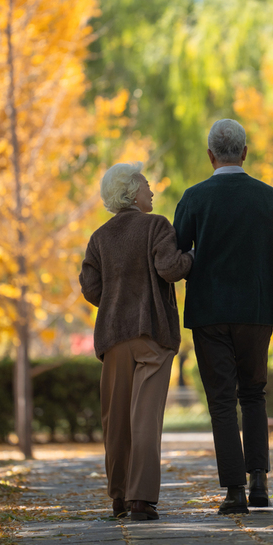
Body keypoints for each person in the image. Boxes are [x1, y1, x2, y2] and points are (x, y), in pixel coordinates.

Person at [174, 119, 273, 514]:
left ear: (210, 155)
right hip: (257, 311)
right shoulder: (268, 198)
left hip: (209, 313)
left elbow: (176, 255)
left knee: (222, 401)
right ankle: (259, 482)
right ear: (244, 152)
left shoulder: (193, 199)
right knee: (254, 395)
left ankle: (234, 491)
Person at [79, 162, 192, 521]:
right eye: (145, 183)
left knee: (115, 419)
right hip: (152, 335)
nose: (151, 189)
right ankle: (141, 499)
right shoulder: (156, 226)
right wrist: (192, 256)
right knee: (144, 417)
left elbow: (90, 287)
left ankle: (117, 497)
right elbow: (170, 269)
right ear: (131, 190)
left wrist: (115, 300)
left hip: (112, 337)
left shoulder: (99, 237)